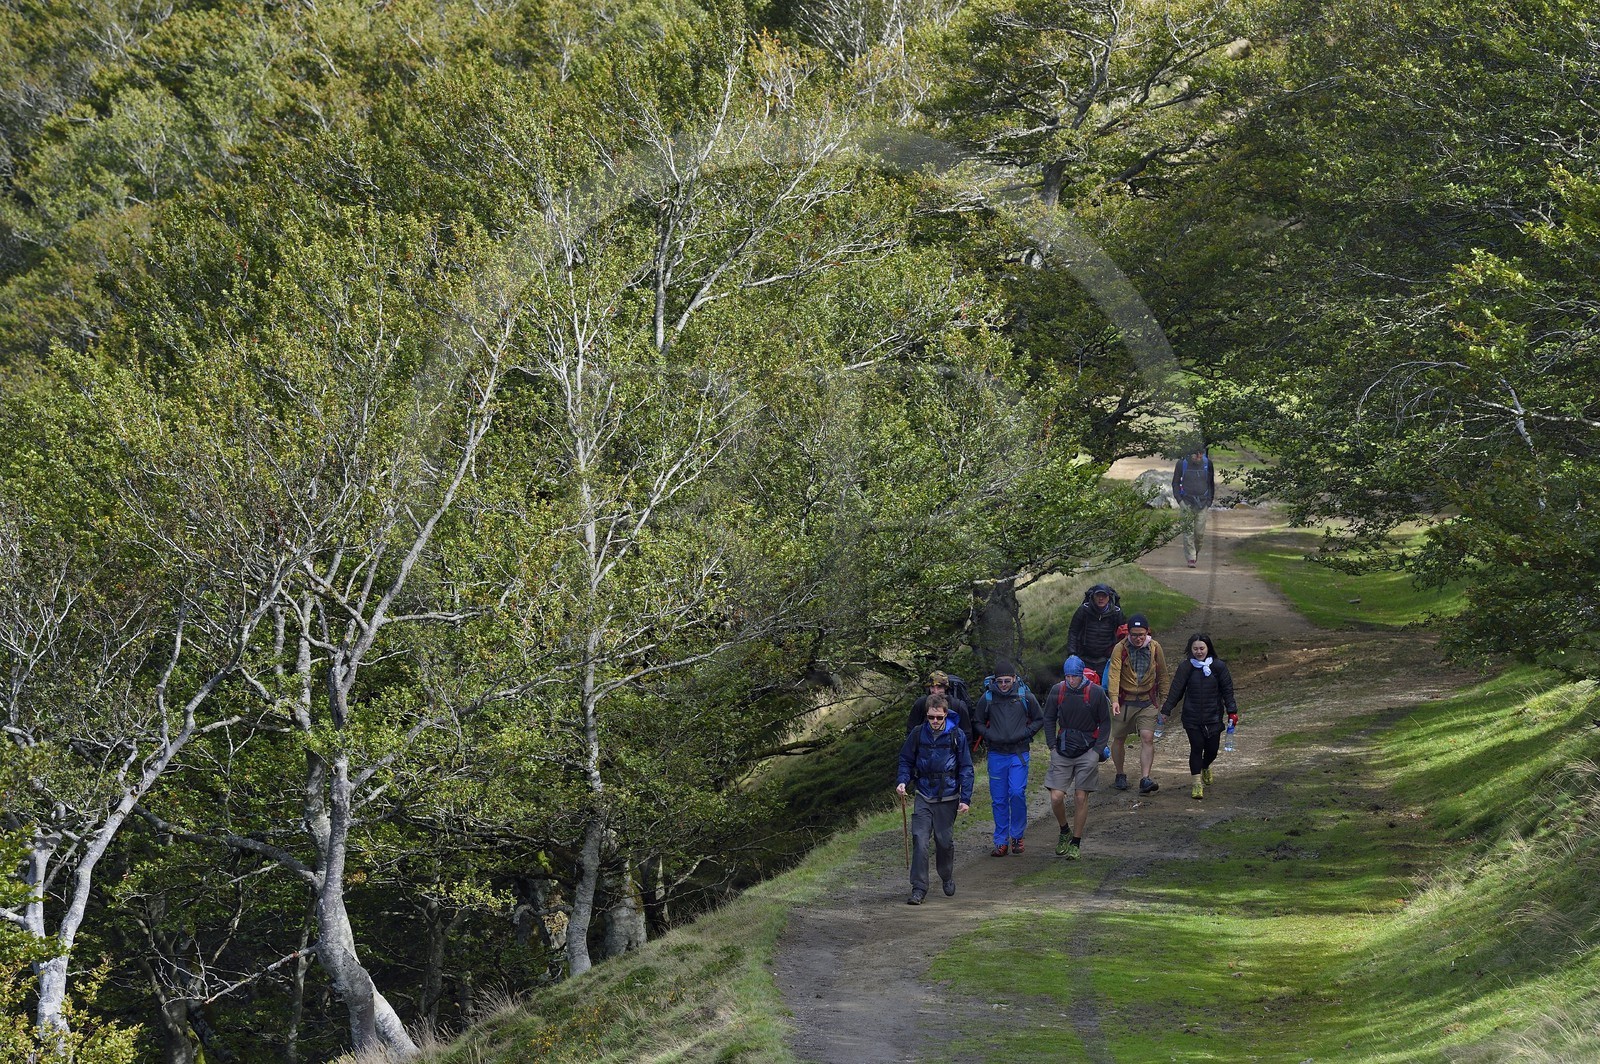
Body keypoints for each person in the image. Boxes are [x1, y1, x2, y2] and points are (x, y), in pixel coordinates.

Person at [895, 693, 973, 904]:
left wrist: (965, 798)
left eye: (939, 717)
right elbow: (906, 759)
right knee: (920, 840)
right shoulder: (918, 734)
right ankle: (918, 888)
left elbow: (966, 768)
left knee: (944, 842)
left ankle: (946, 875)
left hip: (948, 797)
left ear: (946, 714)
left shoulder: (957, 735)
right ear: (927, 716)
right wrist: (903, 781)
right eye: (931, 717)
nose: (935, 721)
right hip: (923, 794)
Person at [1042, 656, 1111, 860]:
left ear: (1082, 675)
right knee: (1056, 797)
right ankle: (1064, 830)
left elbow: (1106, 722)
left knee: (1081, 797)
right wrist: (1052, 746)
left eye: (1075, 676)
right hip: (1062, 749)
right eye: (1068, 676)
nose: (1071, 680)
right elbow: (1048, 717)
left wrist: (1097, 751)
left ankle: (1076, 842)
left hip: (1087, 750)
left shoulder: (1096, 692)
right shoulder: (1058, 690)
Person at [972, 662, 1043, 856]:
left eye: (1007, 681)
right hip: (996, 754)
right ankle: (1001, 841)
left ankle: (1017, 836)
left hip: (1019, 753)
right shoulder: (987, 698)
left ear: (1014, 679)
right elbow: (977, 721)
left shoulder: (1024, 696)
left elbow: (1039, 718)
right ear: (995, 681)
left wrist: (1025, 733)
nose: (1003, 685)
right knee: (999, 799)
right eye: (1000, 681)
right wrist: (989, 735)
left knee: (1017, 793)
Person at [1159, 633, 1239, 800]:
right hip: (1192, 717)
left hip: (1213, 716)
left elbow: (1227, 691)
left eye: (1201, 648)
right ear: (1190, 650)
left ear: (1208, 648)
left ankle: (1205, 766)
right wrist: (1166, 711)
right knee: (1196, 747)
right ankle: (1196, 784)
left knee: (1212, 750)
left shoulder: (1219, 667)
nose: (1198, 652)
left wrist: (1232, 711)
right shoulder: (1186, 667)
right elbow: (1176, 691)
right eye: (1195, 649)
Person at [1105, 614, 1166, 795]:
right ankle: (1120, 774)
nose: (1138, 638)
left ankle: (1145, 778)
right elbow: (1114, 675)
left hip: (1147, 701)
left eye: (1141, 634)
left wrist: (1165, 700)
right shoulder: (1120, 648)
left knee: (1147, 737)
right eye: (1134, 635)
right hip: (1125, 701)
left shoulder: (1155, 648)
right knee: (1119, 739)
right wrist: (1114, 700)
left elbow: (1163, 675)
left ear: (1147, 632)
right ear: (1128, 634)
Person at [1067, 583, 1125, 684]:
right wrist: (1072, 654)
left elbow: (1122, 635)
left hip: (1106, 659)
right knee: (1082, 688)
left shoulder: (1116, 613)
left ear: (1109, 597)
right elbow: (1073, 631)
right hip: (1084, 657)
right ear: (1093, 596)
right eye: (1098, 595)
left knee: (1105, 688)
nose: (1101, 598)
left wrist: (1118, 656)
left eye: (1104, 596)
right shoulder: (1083, 610)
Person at [906, 670, 973, 748]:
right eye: (932, 687)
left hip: (950, 753)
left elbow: (967, 734)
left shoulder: (958, 705)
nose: (935, 691)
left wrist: (961, 755)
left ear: (946, 688)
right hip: (925, 752)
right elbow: (911, 731)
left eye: (939, 687)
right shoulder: (920, 704)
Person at [1172, 449, 1216, 567]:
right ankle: (1191, 557)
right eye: (1195, 455)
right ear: (1189, 454)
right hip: (1186, 502)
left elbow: (1211, 484)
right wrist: (1180, 501)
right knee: (1188, 532)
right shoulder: (1181, 464)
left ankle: (1195, 552)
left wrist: (1208, 502)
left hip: (1202, 504)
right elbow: (1175, 483)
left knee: (1199, 534)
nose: (1198, 457)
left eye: (1200, 454)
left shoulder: (1208, 464)